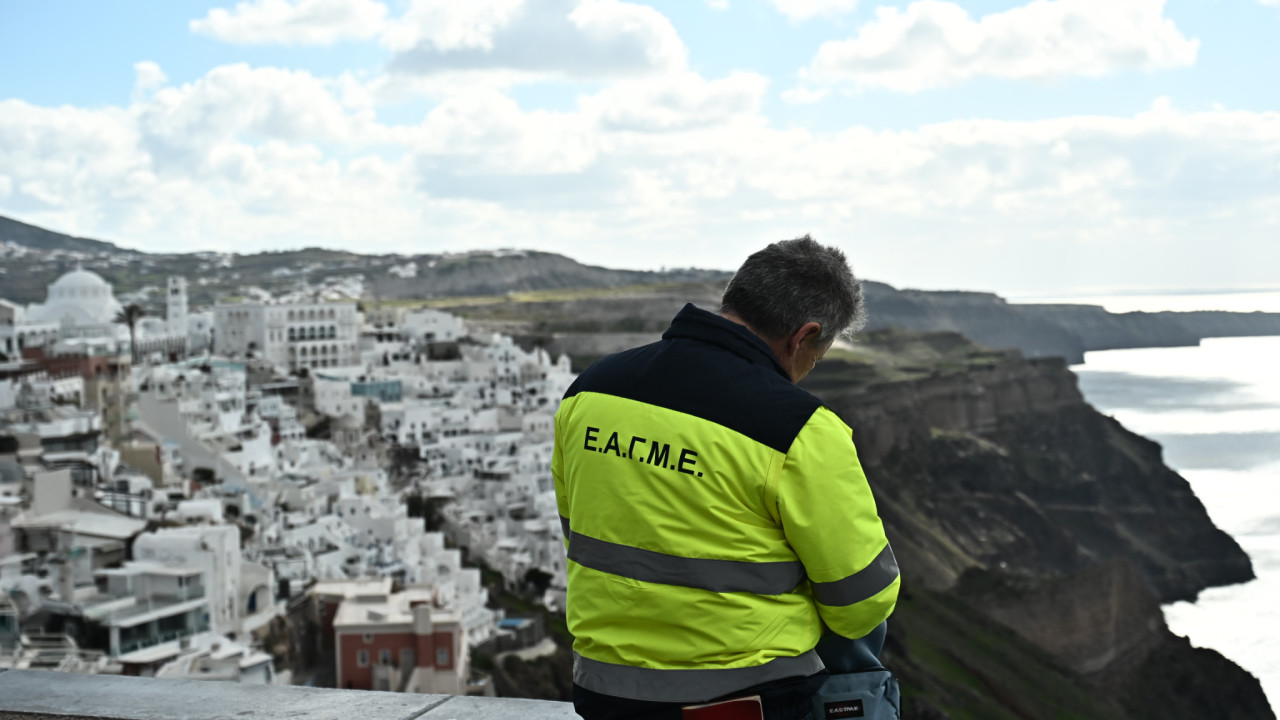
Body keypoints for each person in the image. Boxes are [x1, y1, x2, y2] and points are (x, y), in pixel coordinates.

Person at [553, 236, 900, 720]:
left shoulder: (591, 390)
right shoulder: (799, 429)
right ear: (803, 336)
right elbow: (861, 601)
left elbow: (581, 528)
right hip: (746, 701)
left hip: (606, 692)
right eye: (816, 356)